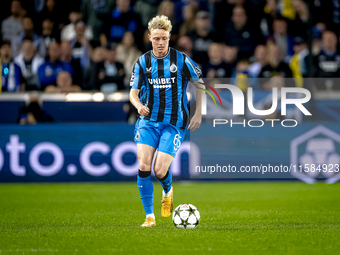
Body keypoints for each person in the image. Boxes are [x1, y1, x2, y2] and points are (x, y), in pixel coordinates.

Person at [129, 15, 204, 227]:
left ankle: (168, 190)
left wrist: (198, 113)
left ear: (169, 37)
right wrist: (138, 106)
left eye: (163, 38)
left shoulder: (181, 59)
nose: (160, 43)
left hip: (174, 123)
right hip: (148, 121)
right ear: (149, 37)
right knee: (144, 166)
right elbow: (133, 93)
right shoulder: (142, 62)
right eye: (156, 39)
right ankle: (149, 217)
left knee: (160, 171)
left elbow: (201, 85)